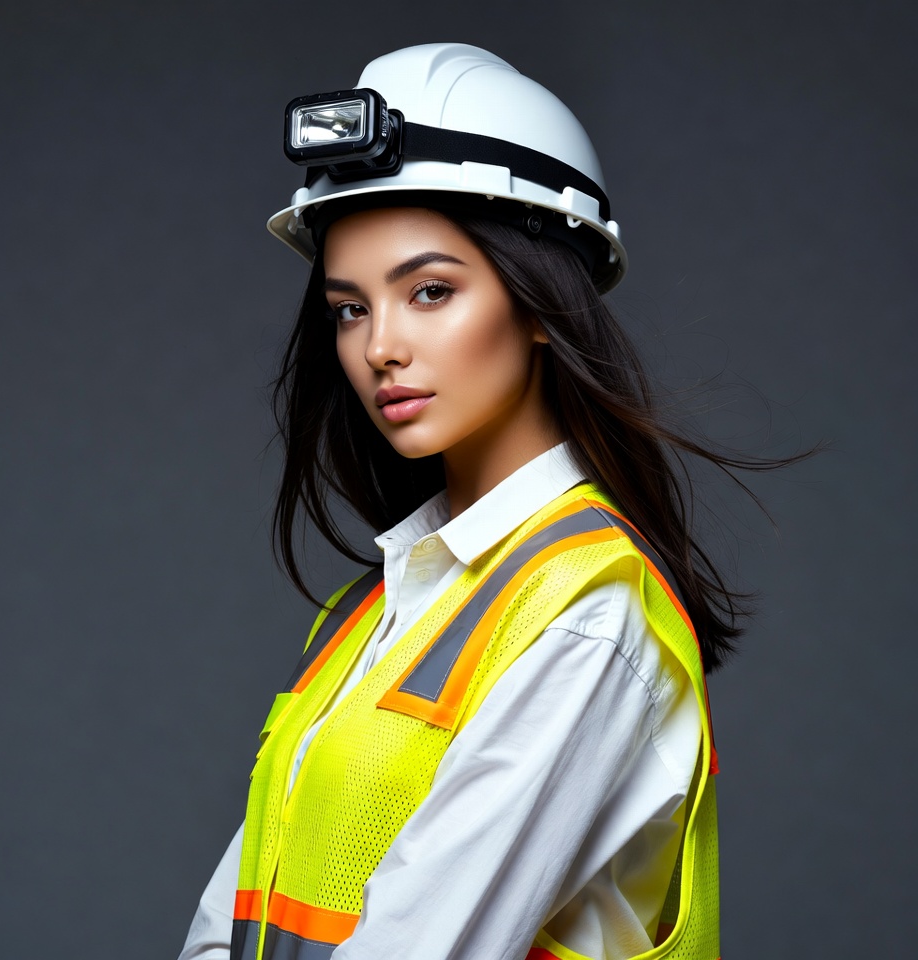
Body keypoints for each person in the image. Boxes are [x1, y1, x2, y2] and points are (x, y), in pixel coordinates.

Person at [179, 42, 744, 960]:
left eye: (430, 291)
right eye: (350, 308)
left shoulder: (587, 615)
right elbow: (232, 923)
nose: (380, 348)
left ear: (540, 303)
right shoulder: (370, 612)